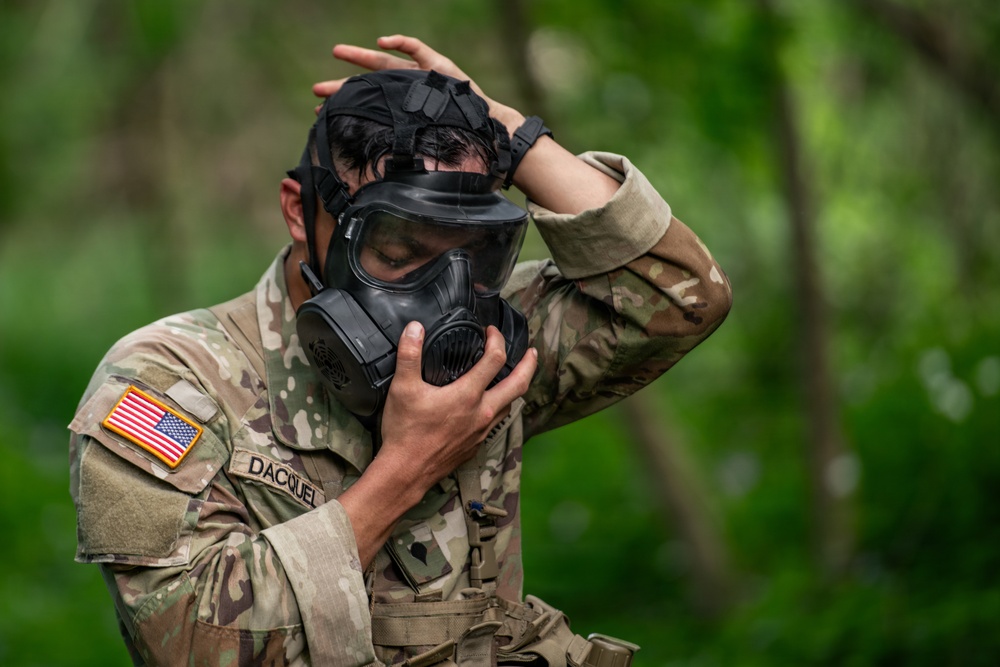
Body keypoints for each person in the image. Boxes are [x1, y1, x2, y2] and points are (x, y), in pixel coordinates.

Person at [68, 35, 732, 666]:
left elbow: (681, 296)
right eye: (395, 251)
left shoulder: (487, 336)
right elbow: (189, 644)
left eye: (471, 253)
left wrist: (510, 132)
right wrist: (408, 467)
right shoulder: (172, 382)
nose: (442, 297)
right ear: (300, 212)